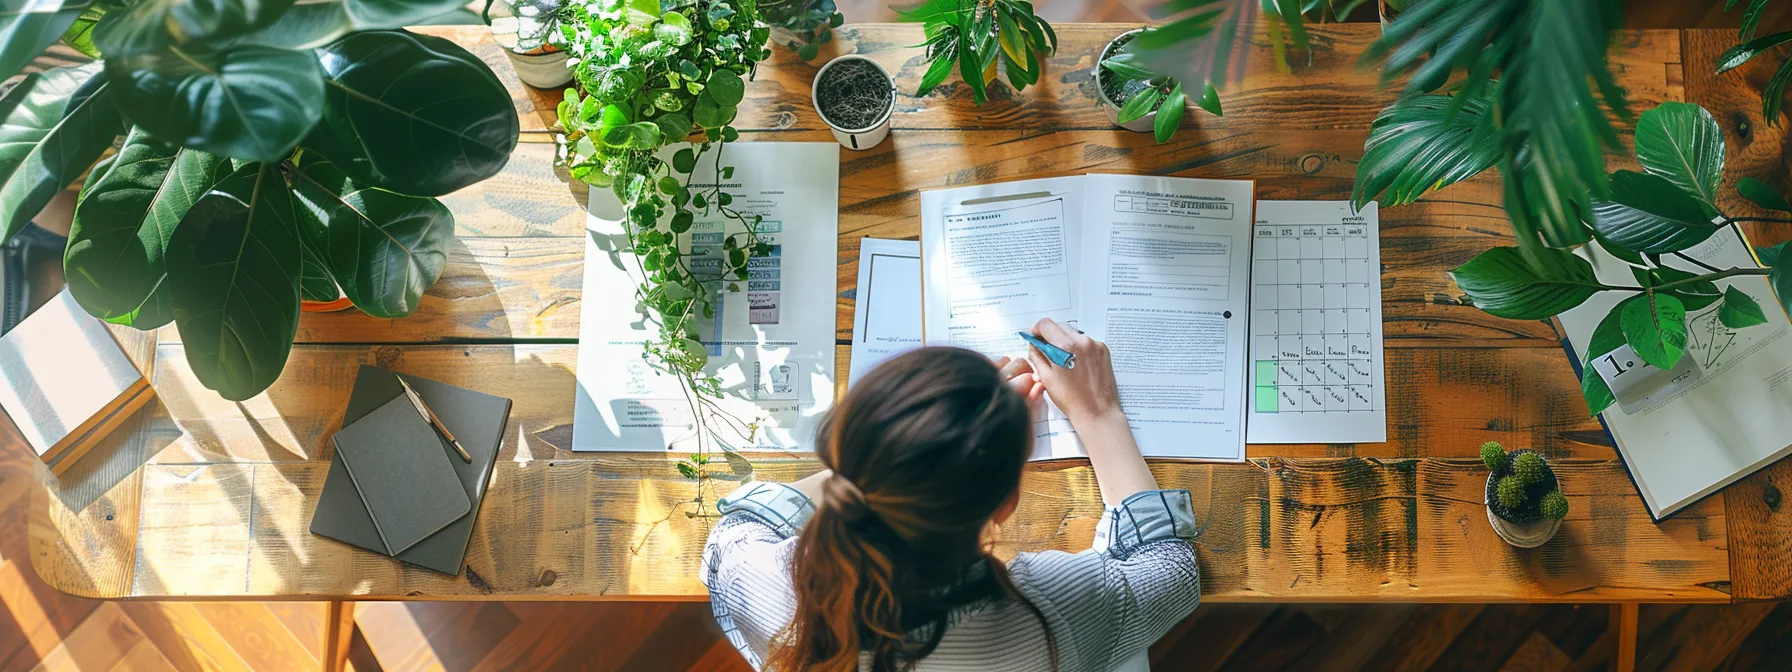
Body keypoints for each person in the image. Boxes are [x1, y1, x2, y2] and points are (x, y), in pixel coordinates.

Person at [701, 318, 1202, 671]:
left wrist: (905, 450)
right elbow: (1170, 573)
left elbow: (737, 528)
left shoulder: (761, 580)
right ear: (1006, 505)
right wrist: (1098, 412)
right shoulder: (1048, 615)